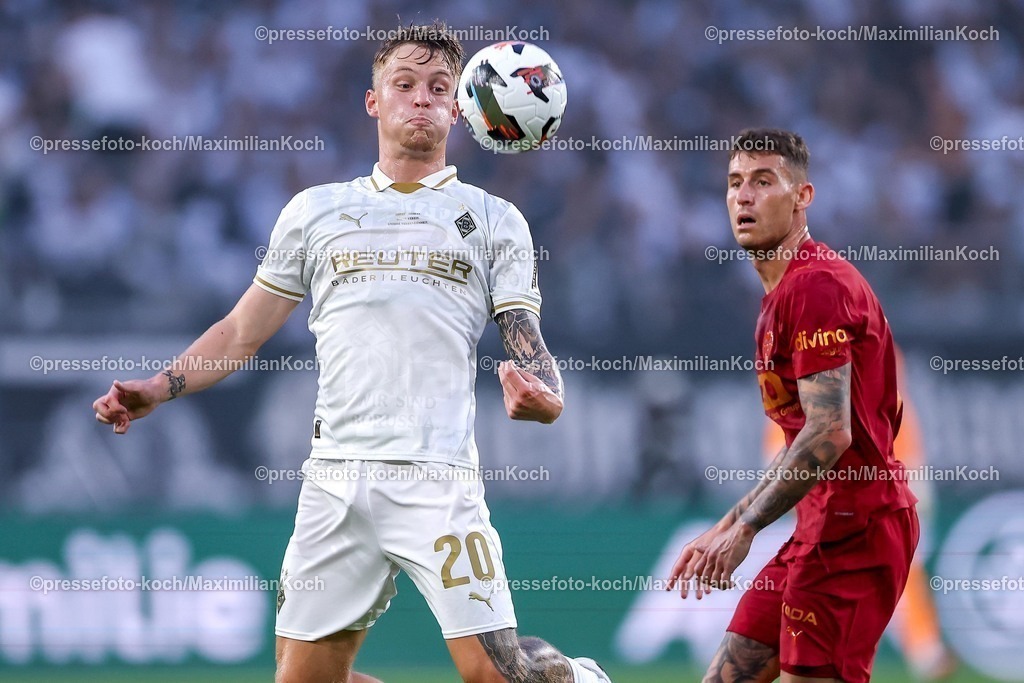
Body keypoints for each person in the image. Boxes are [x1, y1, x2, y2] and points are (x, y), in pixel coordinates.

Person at [93, 22, 610, 683]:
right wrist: (158, 386)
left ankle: (581, 677)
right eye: (403, 84)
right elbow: (242, 331)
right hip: (333, 480)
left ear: (458, 110)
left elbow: (526, 339)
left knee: (493, 673)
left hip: (437, 478)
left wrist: (546, 397)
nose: (419, 99)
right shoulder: (316, 212)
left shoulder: (495, 219)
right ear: (374, 102)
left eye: (437, 88)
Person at [668, 128, 919, 683]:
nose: (744, 197)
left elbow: (829, 433)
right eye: (735, 183)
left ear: (803, 197)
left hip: (858, 532)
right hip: (818, 527)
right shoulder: (781, 294)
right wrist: (728, 523)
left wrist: (745, 528)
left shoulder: (817, 288)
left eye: (763, 181)